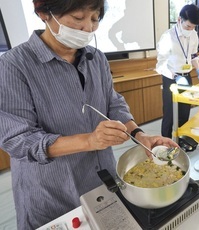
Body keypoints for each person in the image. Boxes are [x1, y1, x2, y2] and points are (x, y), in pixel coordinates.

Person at [0, 0, 178, 229]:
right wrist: (91, 140)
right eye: (78, 18)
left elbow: (113, 104)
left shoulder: (97, 58)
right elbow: (19, 140)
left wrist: (139, 135)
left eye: (95, 19)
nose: (89, 28)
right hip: (52, 191)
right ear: (44, 13)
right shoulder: (13, 66)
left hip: (100, 178)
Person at [156, 4, 199, 138]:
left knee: (184, 112)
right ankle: (165, 144)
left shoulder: (194, 35)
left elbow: (193, 55)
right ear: (179, 20)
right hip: (171, 78)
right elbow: (161, 65)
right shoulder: (168, 37)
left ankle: (182, 141)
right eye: (188, 26)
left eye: (194, 27)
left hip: (187, 77)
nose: (191, 29)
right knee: (169, 114)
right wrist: (175, 76)